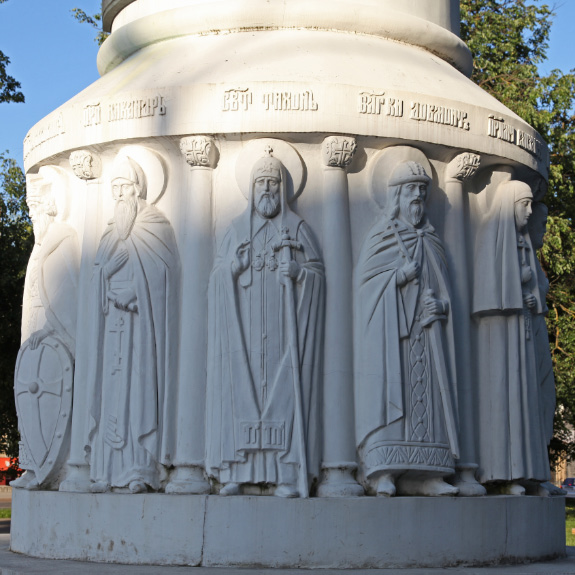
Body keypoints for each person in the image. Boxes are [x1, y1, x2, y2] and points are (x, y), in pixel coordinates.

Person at [205, 148, 324, 497]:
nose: (268, 189)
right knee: (241, 390)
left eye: (274, 182)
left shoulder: (297, 229)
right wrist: (232, 270)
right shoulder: (236, 231)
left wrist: (301, 273)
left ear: (285, 188)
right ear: (251, 189)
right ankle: (238, 472)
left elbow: (318, 274)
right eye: (261, 182)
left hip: (284, 331)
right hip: (243, 332)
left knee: (282, 392)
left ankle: (286, 475)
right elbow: (216, 279)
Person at [355, 160, 459, 497]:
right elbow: (366, 290)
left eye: (423, 190)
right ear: (397, 195)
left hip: (428, 338)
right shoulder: (383, 237)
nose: (419, 196)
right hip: (393, 337)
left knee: (429, 404)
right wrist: (398, 278)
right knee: (394, 396)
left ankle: (429, 474)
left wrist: (441, 307)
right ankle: (384, 470)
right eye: (412, 189)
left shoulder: (431, 240)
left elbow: (446, 293)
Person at [87, 155, 180, 493]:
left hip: (143, 327)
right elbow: (95, 277)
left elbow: (166, 277)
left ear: (139, 188)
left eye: (126, 187)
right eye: (115, 189)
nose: (120, 195)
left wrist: (139, 297)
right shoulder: (111, 232)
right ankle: (107, 470)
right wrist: (108, 271)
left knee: (140, 392)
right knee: (113, 392)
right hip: (114, 327)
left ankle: (140, 470)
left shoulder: (155, 225)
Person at [473, 180, 549, 494]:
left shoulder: (522, 242)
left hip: (520, 331)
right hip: (499, 336)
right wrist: (516, 287)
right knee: (502, 400)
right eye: (524, 205)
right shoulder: (493, 232)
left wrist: (530, 299)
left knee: (525, 401)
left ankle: (526, 472)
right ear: (509, 204)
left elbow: (532, 288)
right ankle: (501, 474)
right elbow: (488, 292)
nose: (529, 212)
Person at [13, 175, 79, 489]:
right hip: (37, 336)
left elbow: (67, 292)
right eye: (31, 211)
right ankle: (33, 469)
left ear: (51, 209)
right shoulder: (38, 247)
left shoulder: (63, 238)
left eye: (38, 210)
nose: (34, 217)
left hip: (55, 334)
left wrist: (51, 327)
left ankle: (59, 466)